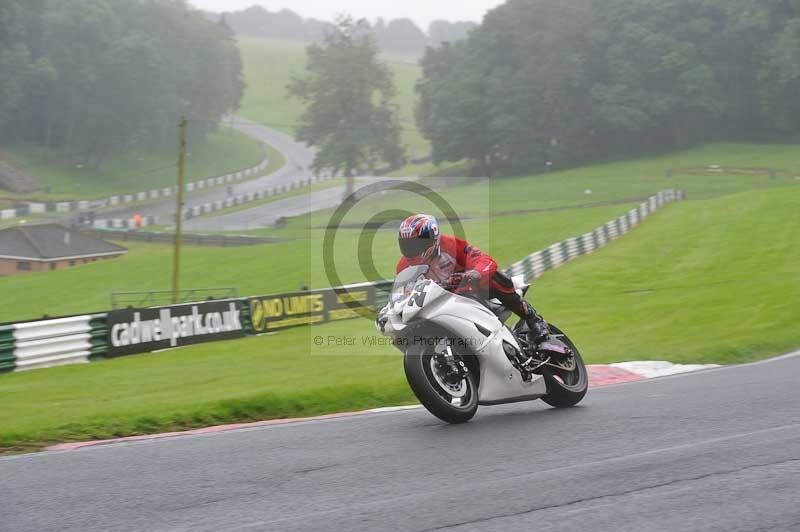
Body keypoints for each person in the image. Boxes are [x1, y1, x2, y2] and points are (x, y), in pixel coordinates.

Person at [396, 214, 550, 343]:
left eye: (415, 244)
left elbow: (487, 262)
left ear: (432, 238)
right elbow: (405, 293)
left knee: (493, 278)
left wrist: (473, 274)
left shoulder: (452, 245)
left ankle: (533, 318)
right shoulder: (403, 267)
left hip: (469, 290)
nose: (411, 250)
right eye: (407, 245)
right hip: (440, 303)